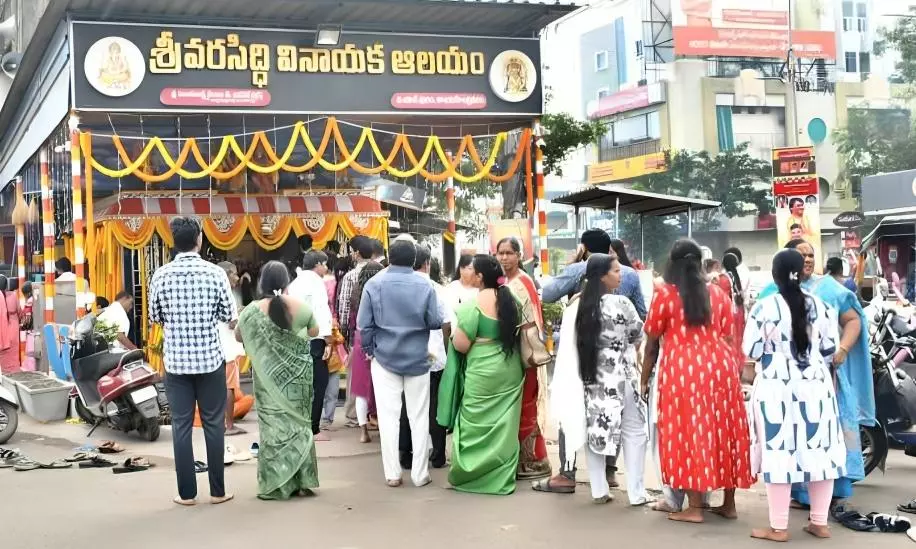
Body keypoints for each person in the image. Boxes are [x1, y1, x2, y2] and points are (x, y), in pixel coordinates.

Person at [641, 238, 754, 523]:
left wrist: (643, 380)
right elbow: (729, 334)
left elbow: (652, 343)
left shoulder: (666, 294)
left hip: (683, 370)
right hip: (721, 367)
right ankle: (728, 504)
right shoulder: (717, 293)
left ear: (672, 263)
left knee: (688, 432)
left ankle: (694, 507)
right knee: (724, 429)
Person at [756, 240, 874, 510]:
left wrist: (843, 349)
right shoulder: (771, 293)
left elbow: (853, 320)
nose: (808, 259)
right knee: (794, 438)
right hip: (783, 384)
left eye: (811, 255)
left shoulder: (828, 289)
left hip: (824, 379)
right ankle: (803, 498)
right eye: (802, 255)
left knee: (823, 437)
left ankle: (828, 497)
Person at [744, 249, 845, 542]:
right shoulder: (823, 307)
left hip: (776, 386)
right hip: (816, 385)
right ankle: (819, 523)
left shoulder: (764, 308)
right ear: (802, 273)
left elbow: (751, 350)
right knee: (820, 452)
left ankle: (778, 528)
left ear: (775, 276)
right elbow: (829, 351)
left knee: (778, 453)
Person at [533, 229, 645, 493]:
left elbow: (547, 295)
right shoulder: (629, 275)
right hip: (618, 361)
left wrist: (573, 267)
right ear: (610, 249)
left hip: (581, 355)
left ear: (583, 247)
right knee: (613, 414)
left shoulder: (579, 271)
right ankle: (609, 471)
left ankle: (567, 473)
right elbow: (641, 314)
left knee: (573, 410)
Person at [149, 217, 237, 506]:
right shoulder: (215, 273)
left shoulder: (160, 276)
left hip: (175, 364)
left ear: (175, 241)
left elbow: (155, 317)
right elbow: (228, 314)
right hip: (210, 361)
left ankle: (187, 493)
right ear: (199, 239)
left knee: (181, 426)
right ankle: (217, 492)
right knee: (214, 425)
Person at [437, 254, 524, 495]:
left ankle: (471, 475)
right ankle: (501, 475)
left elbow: (462, 345)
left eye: (471, 270)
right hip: (509, 368)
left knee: (474, 421)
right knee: (504, 425)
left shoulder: (471, 306)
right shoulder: (511, 299)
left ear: (480, 276)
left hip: (482, 370)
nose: (467, 274)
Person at [357, 240, 441, 487]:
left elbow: (364, 324)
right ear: (415, 260)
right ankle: (419, 474)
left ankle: (393, 474)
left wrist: (370, 350)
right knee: (419, 415)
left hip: (384, 358)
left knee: (388, 417)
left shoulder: (374, 284)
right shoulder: (425, 285)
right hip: (418, 357)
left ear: (389, 258)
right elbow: (435, 321)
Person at [236, 261, 320, 500]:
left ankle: (277, 484)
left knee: (273, 429)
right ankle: (303, 482)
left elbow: (239, 335)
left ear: (262, 282)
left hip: (268, 380)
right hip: (298, 378)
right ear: (286, 282)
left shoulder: (251, 311)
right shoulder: (301, 307)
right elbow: (314, 332)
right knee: (300, 426)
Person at [496, 236, 551, 480]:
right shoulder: (503, 282)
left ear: (519, 256)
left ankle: (533, 461)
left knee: (526, 406)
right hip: (510, 354)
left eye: (509, 253)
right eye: (501, 253)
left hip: (525, 354)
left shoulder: (522, 282)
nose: (505, 257)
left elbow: (530, 322)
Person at [399, 246, 452, 470]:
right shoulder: (436, 288)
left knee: (407, 406)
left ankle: (406, 454)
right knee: (433, 407)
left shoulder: (399, 287)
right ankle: (438, 455)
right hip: (433, 356)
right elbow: (446, 324)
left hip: (406, 355)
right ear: (426, 263)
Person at [288, 250, 335, 442]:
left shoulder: (295, 283)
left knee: (301, 383)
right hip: (314, 338)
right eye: (325, 264)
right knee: (319, 383)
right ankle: (313, 428)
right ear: (318, 264)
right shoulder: (316, 282)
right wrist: (328, 338)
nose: (326, 268)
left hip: (296, 338)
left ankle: (300, 425)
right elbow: (321, 312)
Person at [349, 261, 385, 442]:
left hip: (358, 340)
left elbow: (351, 320)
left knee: (361, 389)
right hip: (378, 340)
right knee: (382, 385)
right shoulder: (379, 292)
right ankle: (382, 425)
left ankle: (363, 432)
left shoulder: (356, 293)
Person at [215, 262, 246, 436]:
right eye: (234, 273)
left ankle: (220, 424)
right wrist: (244, 315)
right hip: (229, 349)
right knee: (229, 388)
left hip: (217, 348)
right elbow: (232, 323)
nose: (237, 277)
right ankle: (229, 425)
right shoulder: (228, 294)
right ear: (227, 274)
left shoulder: (213, 292)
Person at [722, 252, 747, 368]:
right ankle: (739, 365)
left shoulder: (724, 278)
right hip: (739, 311)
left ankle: (732, 365)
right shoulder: (737, 276)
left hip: (730, 313)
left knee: (731, 342)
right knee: (738, 341)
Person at [0, 276, 19, 373]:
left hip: (3, 327)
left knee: (4, 354)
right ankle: (14, 371)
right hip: (13, 323)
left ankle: (4, 370)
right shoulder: (13, 295)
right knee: (13, 350)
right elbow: (19, 310)